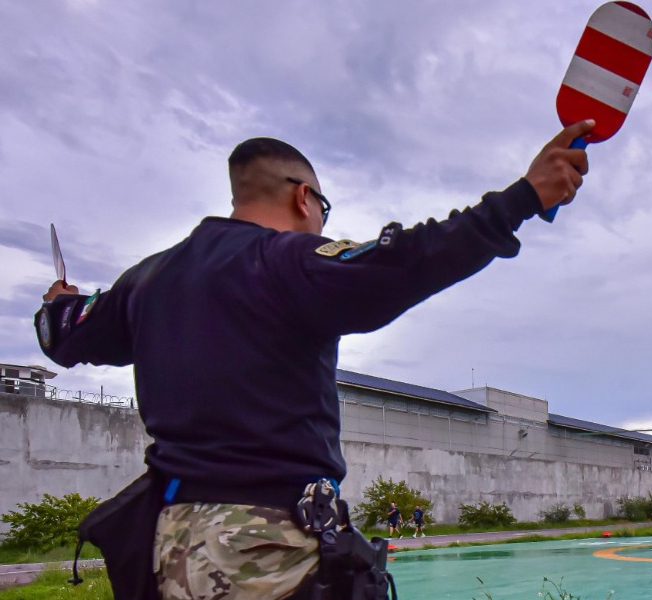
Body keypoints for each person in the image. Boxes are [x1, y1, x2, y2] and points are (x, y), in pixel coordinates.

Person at [36, 119, 596, 600]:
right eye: (323, 208)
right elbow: (402, 263)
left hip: (168, 542)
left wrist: (61, 306)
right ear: (303, 197)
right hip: (261, 546)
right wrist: (525, 197)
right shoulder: (282, 260)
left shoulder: (147, 281)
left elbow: (62, 334)